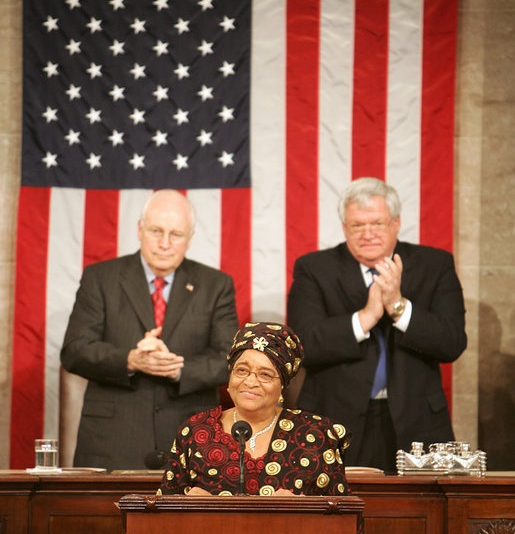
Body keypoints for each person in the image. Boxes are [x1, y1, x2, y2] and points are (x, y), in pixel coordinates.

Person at [287, 177, 467, 472]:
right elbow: (303, 345)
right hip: (334, 420)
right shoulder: (314, 268)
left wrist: (398, 306)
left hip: (417, 420)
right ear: (344, 227)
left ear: (396, 223)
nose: (367, 233)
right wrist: (366, 317)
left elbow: (452, 343)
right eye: (357, 225)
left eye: (377, 223)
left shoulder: (435, 265)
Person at [60, 189, 239, 471]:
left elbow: (230, 360)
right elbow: (74, 351)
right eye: (156, 231)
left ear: (190, 238)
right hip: (112, 440)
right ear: (140, 230)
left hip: (191, 438)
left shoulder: (216, 285)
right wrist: (130, 359)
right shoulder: (100, 278)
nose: (165, 243)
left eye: (176, 234)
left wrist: (177, 368)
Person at [157, 322, 349, 496]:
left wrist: (301, 511)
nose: (250, 382)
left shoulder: (317, 435)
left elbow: (345, 522)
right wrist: (188, 508)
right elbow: (161, 517)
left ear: (282, 386)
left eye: (265, 375)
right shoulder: (195, 431)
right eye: (241, 370)